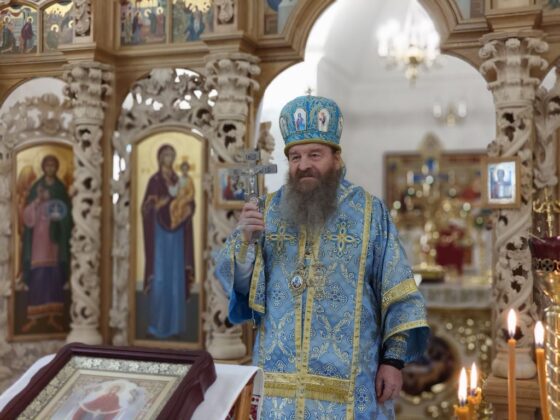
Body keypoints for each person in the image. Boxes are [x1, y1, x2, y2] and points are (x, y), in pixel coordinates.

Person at [214, 95, 429, 418]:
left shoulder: (369, 212)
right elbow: (241, 288)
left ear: (336, 158)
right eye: (295, 156)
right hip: (279, 383)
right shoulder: (265, 212)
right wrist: (244, 242)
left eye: (315, 154)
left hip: (350, 384)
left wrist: (393, 361)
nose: (304, 165)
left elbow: (399, 294)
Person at [141, 145, 195, 339]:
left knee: (176, 277)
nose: (169, 159)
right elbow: (146, 208)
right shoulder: (154, 181)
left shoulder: (179, 179)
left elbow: (190, 200)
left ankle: (175, 327)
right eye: (166, 155)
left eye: (172, 155)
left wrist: (188, 208)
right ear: (159, 158)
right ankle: (157, 326)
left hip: (177, 232)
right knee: (161, 277)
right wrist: (157, 204)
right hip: (159, 235)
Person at [21, 155, 72, 333]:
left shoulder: (60, 188)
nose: (50, 168)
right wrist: (37, 201)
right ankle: (33, 318)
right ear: (43, 167)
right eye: (47, 165)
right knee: (38, 275)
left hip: (55, 241)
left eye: (53, 165)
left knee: (53, 276)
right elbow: (27, 218)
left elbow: (67, 214)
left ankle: (53, 317)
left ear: (56, 167)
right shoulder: (36, 187)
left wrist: (54, 204)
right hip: (38, 241)